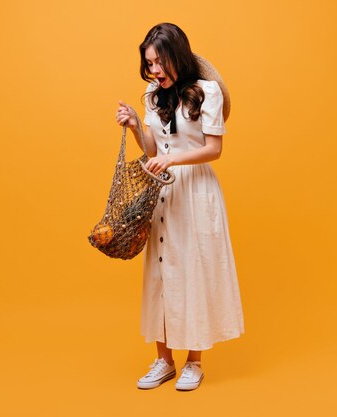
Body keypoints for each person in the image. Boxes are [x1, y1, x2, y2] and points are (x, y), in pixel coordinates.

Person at [115, 22, 245, 391]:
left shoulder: (207, 92)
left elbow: (214, 150)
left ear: (177, 55)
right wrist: (136, 126)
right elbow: (153, 151)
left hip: (197, 192)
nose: (154, 71)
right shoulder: (153, 95)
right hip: (165, 194)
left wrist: (173, 162)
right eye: (149, 64)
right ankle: (163, 360)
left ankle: (194, 362)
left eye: (159, 62)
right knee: (160, 272)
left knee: (194, 269)